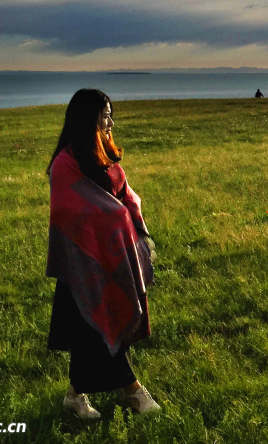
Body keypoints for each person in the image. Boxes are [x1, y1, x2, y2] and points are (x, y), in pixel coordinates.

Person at [45, 89, 160, 419]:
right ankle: (134, 391)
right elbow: (70, 212)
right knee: (98, 324)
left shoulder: (104, 155)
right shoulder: (65, 164)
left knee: (94, 329)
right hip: (83, 262)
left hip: (114, 258)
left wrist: (136, 228)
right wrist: (116, 217)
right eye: (105, 115)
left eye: (111, 115)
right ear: (88, 118)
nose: (110, 122)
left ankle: (74, 395)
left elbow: (125, 196)